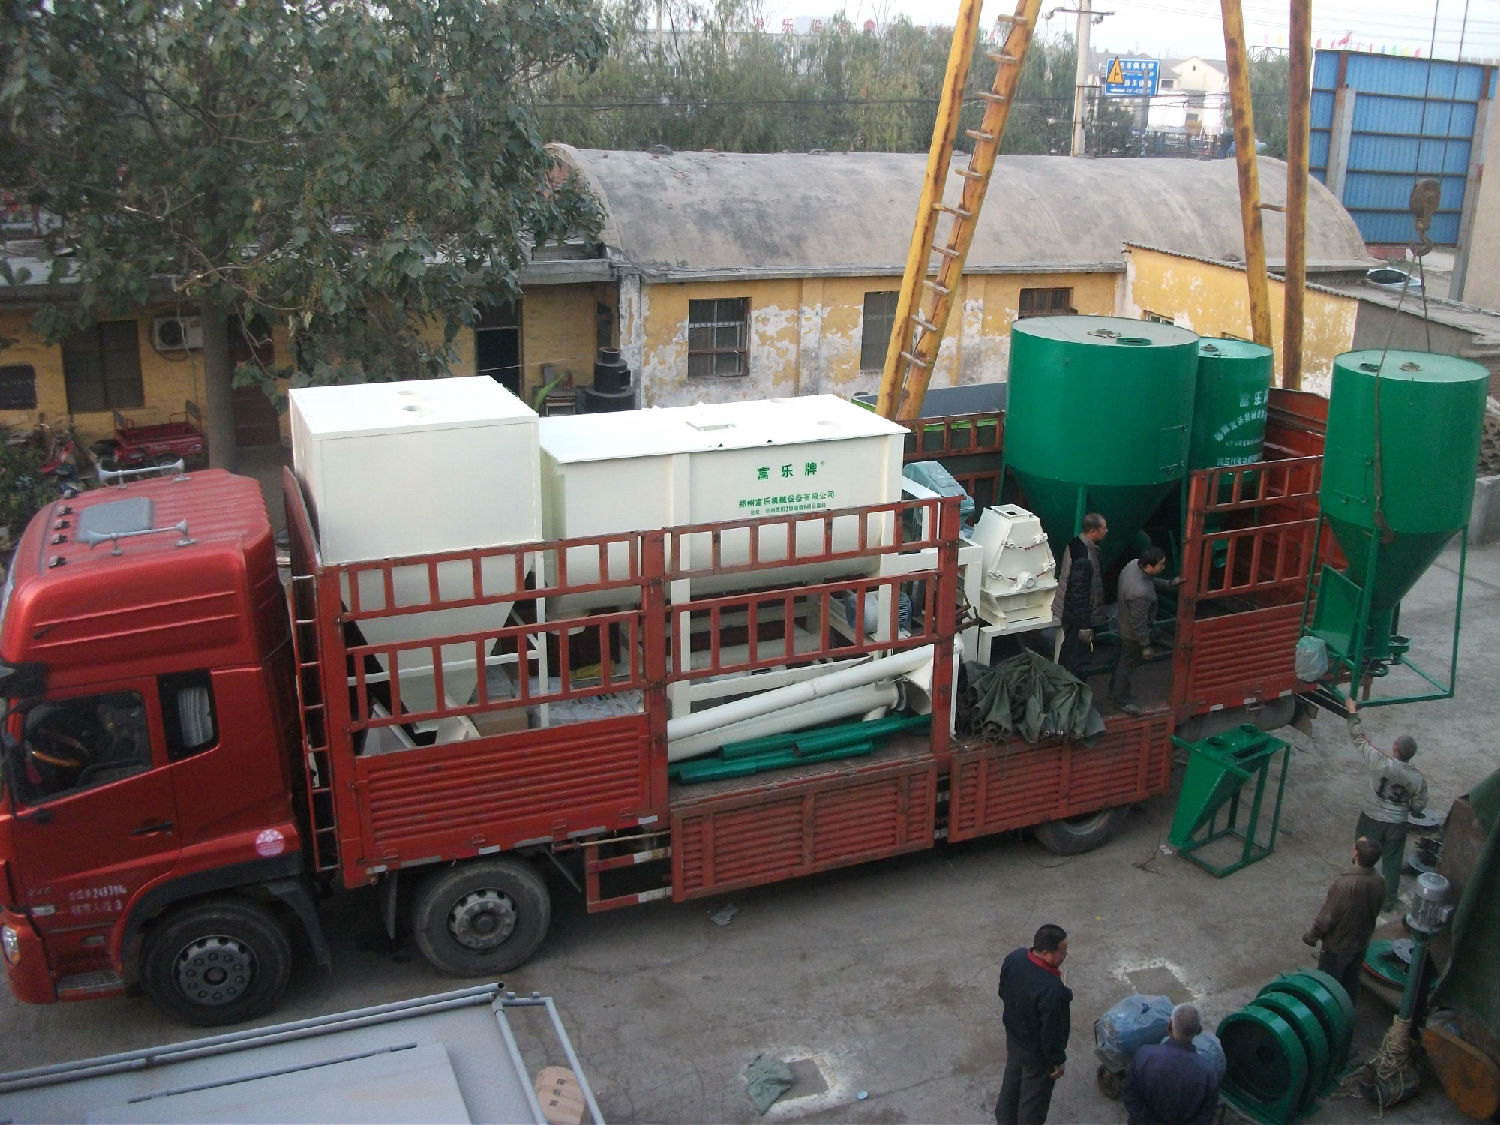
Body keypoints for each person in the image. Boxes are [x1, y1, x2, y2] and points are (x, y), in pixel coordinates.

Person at [1345, 697, 1427, 912]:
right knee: (1392, 862)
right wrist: (1412, 811)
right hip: (1396, 823)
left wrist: (1352, 712)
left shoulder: (1379, 761)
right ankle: (1388, 901)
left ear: (1395, 748)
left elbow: (1359, 738)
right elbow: (1419, 804)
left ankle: (1356, 894)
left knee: (1362, 857)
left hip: (1371, 818)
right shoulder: (1417, 777)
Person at [996, 924, 1072, 1125]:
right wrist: (1056, 1060)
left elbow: (1003, 991)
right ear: (1046, 953)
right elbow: (1052, 1033)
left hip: (1014, 1040)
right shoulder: (1053, 991)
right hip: (1036, 1054)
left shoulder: (1015, 958)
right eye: (1062, 950)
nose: (1065, 954)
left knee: (1011, 1085)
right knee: (1033, 1102)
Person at [1302, 836, 1385, 1001]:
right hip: (1360, 941)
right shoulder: (1379, 881)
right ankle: (1347, 1012)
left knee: (1327, 986)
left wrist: (1312, 936)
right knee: (1351, 981)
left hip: (1338, 946)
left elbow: (1327, 917)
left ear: (1355, 853)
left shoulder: (1345, 885)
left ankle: (1327, 1018)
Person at [1109, 546, 1181, 715]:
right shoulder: (1140, 593)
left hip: (1122, 623)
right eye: (1161, 565)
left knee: (1121, 663)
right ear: (1149, 566)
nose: (1163, 567)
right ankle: (1120, 700)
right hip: (1132, 635)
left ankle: (1114, 692)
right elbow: (1139, 623)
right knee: (1126, 666)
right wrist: (1145, 645)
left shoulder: (1133, 565)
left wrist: (1170, 584)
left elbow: (1150, 580)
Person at [1122, 1003, 1220, 1125]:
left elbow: (1130, 1097)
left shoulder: (1144, 1055)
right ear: (1199, 1030)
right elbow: (1205, 1117)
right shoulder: (1208, 1074)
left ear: (1169, 1026)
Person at [1052, 513, 1107, 682]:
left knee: (1068, 655)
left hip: (1069, 613)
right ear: (1093, 531)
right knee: (1077, 662)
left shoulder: (1076, 543)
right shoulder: (1085, 558)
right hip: (1077, 618)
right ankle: (1073, 699)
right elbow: (1079, 594)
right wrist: (1084, 625)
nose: (1106, 531)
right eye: (1103, 528)